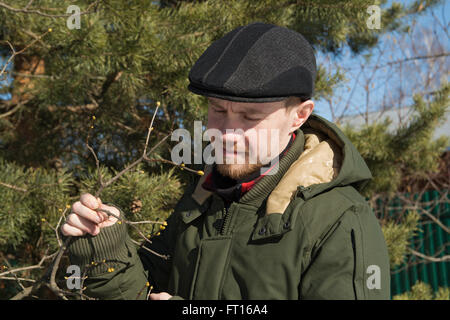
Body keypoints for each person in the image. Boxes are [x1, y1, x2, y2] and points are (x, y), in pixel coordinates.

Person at [60, 22, 390, 300]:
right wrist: (104, 249)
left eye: (249, 116)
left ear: (299, 116)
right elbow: (141, 290)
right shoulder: (201, 196)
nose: (226, 134)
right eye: (218, 110)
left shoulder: (339, 220)